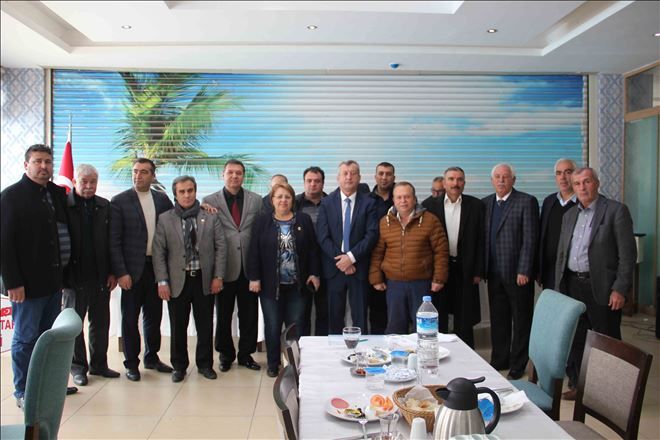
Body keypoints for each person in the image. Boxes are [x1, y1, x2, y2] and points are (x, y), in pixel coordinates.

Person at [1, 144, 76, 408]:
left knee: (47, 339)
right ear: (26, 165)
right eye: (37, 161)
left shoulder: (55, 193)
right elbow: (4, 244)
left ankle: (45, 386)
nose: (44, 166)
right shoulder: (11, 197)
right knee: (25, 338)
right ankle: (23, 390)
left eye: (48, 162)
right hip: (26, 286)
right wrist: (13, 282)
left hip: (53, 283)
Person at [554, 167, 636, 400]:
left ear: (597, 183)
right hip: (572, 284)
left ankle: (609, 393)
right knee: (577, 338)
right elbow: (562, 253)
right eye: (577, 183)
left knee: (606, 339)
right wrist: (559, 288)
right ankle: (579, 386)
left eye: (587, 182)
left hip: (602, 287)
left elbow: (627, 255)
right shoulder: (570, 215)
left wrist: (620, 288)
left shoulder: (616, 211)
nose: (582, 187)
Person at [152, 176, 227, 382]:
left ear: (195, 191)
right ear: (175, 195)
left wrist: (218, 276)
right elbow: (159, 252)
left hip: (204, 279)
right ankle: (179, 366)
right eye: (182, 192)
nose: (187, 195)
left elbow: (221, 248)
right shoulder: (165, 219)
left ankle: (205, 364)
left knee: (205, 326)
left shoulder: (210, 216)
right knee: (178, 327)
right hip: (178, 281)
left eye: (190, 190)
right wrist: (162, 281)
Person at [110, 158, 174, 381]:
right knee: (130, 319)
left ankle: (152, 357)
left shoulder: (162, 200)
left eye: (144, 172)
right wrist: (121, 272)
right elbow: (114, 241)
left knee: (154, 317)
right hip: (131, 271)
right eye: (135, 171)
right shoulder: (119, 201)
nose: (138, 175)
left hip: (156, 268)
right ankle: (131, 363)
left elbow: (176, 223)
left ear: (153, 176)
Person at [247, 183, 320, 377]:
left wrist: (314, 273)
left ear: (292, 200)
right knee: (272, 325)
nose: (283, 200)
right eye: (279, 196)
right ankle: (273, 363)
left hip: (298, 286)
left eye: (287, 197)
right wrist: (254, 277)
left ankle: (295, 363)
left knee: (296, 326)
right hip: (270, 286)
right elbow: (253, 251)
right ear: (272, 200)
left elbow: (313, 250)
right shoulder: (262, 221)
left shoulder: (303, 220)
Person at [203, 159, 263, 372]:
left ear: (243, 176)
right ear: (223, 175)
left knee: (249, 315)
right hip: (223, 267)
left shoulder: (256, 200)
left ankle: (246, 354)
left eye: (238, 173)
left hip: (249, 268)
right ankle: (225, 354)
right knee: (223, 315)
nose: (234, 176)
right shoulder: (209, 201)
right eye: (230, 172)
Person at [62, 164, 119, 387]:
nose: (88, 186)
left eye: (92, 182)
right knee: (74, 325)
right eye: (84, 182)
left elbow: (113, 241)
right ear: (74, 182)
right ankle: (78, 368)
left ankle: (99, 364)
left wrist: (113, 271)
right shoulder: (64, 206)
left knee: (101, 323)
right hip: (73, 278)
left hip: (100, 276)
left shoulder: (104, 206)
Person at [482, 163, 539, 380]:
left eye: (505, 177)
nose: (501, 180)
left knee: (521, 320)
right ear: (492, 180)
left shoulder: (526, 201)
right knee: (499, 319)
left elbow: (530, 239)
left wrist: (524, 269)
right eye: (497, 177)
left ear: (513, 180)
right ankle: (500, 359)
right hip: (493, 273)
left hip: (518, 274)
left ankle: (518, 364)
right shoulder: (486, 203)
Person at [369, 182, 448, 334]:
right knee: (395, 328)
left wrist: (439, 279)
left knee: (424, 328)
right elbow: (377, 252)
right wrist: (376, 278)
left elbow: (441, 251)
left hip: (421, 284)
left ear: (414, 198)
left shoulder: (430, 220)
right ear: (393, 200)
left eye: (407, 197)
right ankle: (396, 350)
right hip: (394, 284)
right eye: (399, 197)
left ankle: (424, 350)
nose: (403, 201)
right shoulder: (385, 222)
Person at [423, 167, 485, 347]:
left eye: (459, 180)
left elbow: (482, 239)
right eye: (451, 179)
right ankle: (438, 352)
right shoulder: (429, 206)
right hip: (439, 268)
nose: (455, 183)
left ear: (464, 183)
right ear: (444, 183)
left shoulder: (476, 206)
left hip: (466, 268)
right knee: (439, 315)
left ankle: (467, 356)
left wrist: (479, 270)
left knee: (464, 318)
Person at [316, 160, 378, 334]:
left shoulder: (369, 203)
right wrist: (342, 261)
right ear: (338, 178)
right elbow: (323, 237)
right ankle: (336, 349)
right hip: (334, 268)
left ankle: (362, 349)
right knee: (334, 317)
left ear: (359, 177)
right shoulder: (326, 202)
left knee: (360, 317)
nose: (349, 177)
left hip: (358, 267)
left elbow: (371, 235)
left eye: (353, 173)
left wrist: (350, 258)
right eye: (345, 173)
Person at [295, 166, 329, 336]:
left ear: (323, 183)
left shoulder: (332, 202)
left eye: (317, 181)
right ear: (304, 182)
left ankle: (323, 348)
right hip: (302, 265)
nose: (313, 184)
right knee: (301, 314)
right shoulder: (294, 203)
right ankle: (304, 348)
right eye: (309, 181)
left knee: (325, 312)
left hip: (328, 264)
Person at [538, 158, 577, 289]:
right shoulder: (549, 201)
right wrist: (539, 270)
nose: (563, 177)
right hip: (550, 272)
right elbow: (542, 237)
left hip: (574, 274)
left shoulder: (584, 202)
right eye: (559, 173)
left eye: (568, 172)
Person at [368, 162, 396, 334]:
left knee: (397, 311)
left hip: (397, 261)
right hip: (373, 261)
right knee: (376, 309)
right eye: (381, 173)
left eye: (388, 174)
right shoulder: (366, 200)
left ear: (394, 177)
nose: (384, 177)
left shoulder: (401, 197)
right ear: (375, 176)